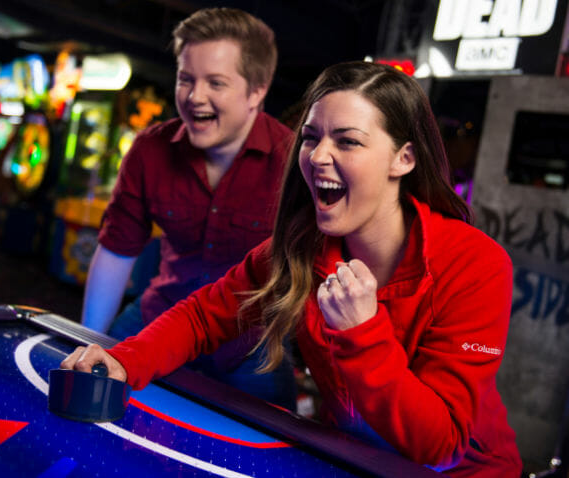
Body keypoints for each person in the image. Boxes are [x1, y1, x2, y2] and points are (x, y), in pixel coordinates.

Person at [64, 61, 522, 476]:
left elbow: (439, 446)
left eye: (347, 141)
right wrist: (124, 360)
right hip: (350, 459)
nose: (318, 156)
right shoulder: (302, 246)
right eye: (310, 137)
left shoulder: (476, 264)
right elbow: (205, 316)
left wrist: (364, 335)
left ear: (403, 158)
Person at [81, 8, 296, 409]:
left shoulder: (294, 161)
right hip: (156, 318)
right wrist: (88, 341)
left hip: (249, 345)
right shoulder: (149, 149)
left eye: (215, 82)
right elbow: (116, 252)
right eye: (185, 79)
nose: (194, 96)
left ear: (257, 91)